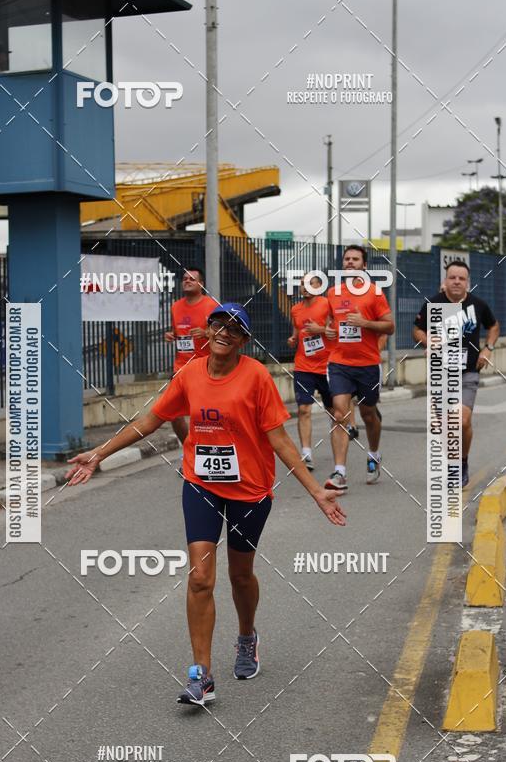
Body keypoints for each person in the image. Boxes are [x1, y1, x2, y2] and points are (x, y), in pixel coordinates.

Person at [67, 303, 346, 708]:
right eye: (218, 324)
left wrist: (315, 492)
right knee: (200, 578)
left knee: (240, 576)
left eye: (234, 329)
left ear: (244, 341)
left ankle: (247, 636)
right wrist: (99, 454)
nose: (224, 333)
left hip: (250, 489)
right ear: (207, 330)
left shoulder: (256, 378)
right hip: (201, 484)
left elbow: (280, 441)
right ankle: (202, 675)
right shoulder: (189, 374)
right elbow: (149, 421)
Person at [413, 260, 499, 487]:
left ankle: (461, 462)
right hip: (440, 373)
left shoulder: (477, 305)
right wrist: (427, 340)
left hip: (468, 372)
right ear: (445, 280)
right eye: (453, 277)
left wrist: (488, 348)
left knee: (461, 421)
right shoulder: (433, 303)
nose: (457, 282)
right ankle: (453, 463)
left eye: (462, 278)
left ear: (467, 282)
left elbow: (494, 326)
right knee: (445, 425)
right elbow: (416, 329)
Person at [324, 245, 394, 491]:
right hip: (339, 362)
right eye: (347, 259)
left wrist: (364, 322)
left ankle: (374, 454)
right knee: (340, 413)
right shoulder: (333, 292)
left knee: (368, 414)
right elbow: (330, 323)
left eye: (355, 259)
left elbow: (390, 326)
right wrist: (329, 330)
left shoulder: (374, 293)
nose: (350, 262)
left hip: (367, 364)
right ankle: (339, 473)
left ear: (364, 265)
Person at [164, 268, 218, 446]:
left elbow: (223, 333)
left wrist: (206, 333)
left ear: (201, 284)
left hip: (204, 368)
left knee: (202, 415)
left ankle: (205, 451)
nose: (187, 281)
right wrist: (171, 335)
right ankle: (189, 451)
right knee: (174, 414)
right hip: (180, 368)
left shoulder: (211, 306)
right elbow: (177, 331)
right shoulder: (176, 306)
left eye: (192, 279)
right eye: (185, 279)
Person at [288, 273, 332, 471]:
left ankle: (345, 433)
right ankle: (306, 453)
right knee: (304, 409)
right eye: (301, 284)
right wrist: (293, 339)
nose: (304, 287)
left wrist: (320, 329)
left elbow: (337, 330)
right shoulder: (295, 309)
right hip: (303, 366)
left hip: (328, 366)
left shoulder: (326, 304)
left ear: (319, 286)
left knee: (334, 411)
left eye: (308, 283)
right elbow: (297, 333)